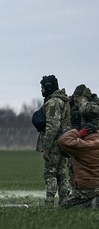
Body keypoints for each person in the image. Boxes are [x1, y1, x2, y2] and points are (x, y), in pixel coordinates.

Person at [36, 74, 71, 207]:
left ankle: (49, 201)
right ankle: (64, 201)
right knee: (62, 172)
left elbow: (52, 126)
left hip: (55, 144)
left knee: (50, 172)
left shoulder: (53, 103)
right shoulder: (64, 101)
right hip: (64, 143)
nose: (41, 90)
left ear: (48, 87)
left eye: (43, 87)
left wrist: (46, 147)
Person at [58, 104, 99, 208]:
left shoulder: (81, 144)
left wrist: (78, 132)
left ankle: (92, 203)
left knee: (65, 206)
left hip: (87, 188)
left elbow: (63, 141)